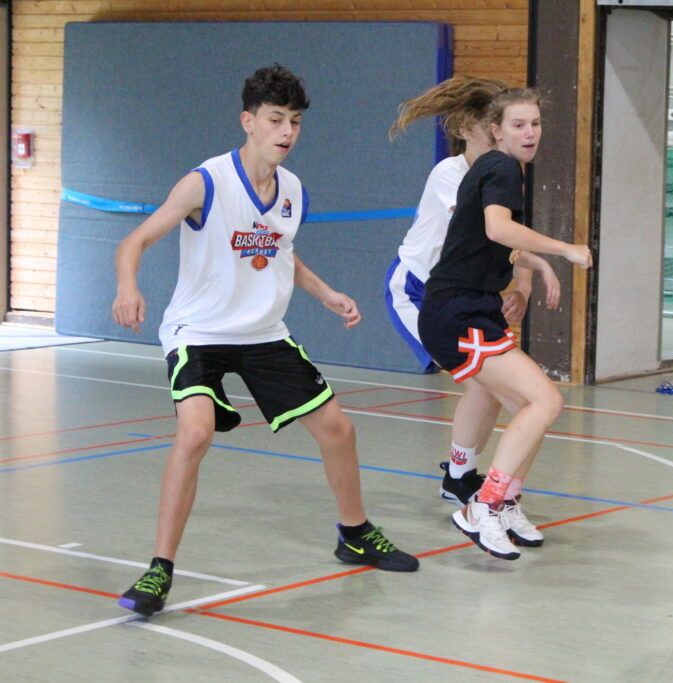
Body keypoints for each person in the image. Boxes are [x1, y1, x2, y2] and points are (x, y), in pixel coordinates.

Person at [111, 65, 418, 617]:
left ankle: (354, 534)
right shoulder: (205, 182)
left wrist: (325, 293)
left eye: (295, 121)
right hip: (198, 332)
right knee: (196, 433)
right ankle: (160, 568)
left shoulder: (292, 189)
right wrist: (128, 286)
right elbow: (133, 241)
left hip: (262, 333)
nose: (287, 131)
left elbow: (281, 251)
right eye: (276, 119)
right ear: (248, 121)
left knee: (339, 430)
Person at [418, 88, 592, 561]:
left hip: (473, 308)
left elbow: (490, 240)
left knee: (528, 409)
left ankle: (506, 501)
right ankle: (483, 506)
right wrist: (564, 250)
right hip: (456, 311)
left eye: (535, 123)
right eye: (519, 125)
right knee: (546, 400)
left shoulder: (494, 169)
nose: (530, 132)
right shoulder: (500, 167)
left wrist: (536, 267)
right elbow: (498, 228)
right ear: (496, 131)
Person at [384, 76, 560, 508]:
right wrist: (548, 260)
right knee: (499, 388)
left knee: (489, 386)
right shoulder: (452, 174)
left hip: (463, 296)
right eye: (493, 132)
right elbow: (492, 232)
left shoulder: (502, 174)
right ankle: (478, 487)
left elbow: (508, 238)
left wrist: (523, 285)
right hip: (419, 290)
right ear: (472, 130)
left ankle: (461, 476)